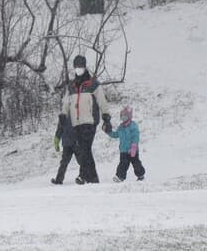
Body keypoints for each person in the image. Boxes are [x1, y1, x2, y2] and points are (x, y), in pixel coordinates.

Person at [54, 54, 112, 184]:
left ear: (85, 67)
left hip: (90, 121)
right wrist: (63, 115)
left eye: (80, 66)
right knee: (86, 150)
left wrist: (106, 118)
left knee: (85, 148)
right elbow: (66, 103)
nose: (78, 69)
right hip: (77, 123)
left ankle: (83, 176)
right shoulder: (71, 86)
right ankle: (94, 178)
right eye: (76, 66)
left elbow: (102, 102)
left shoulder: (93, 84)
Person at [106, 105, 145, 182]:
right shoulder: (121, 127)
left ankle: (140, 175)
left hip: (132, 150)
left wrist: (134, 147)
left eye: (125, 117)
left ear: (129, 117)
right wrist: (108, 132)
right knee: (123, 164)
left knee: (136, 163)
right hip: (123, 150)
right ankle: (120, 177)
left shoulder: (133, 126)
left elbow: (135, 137)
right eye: (122, 117)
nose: (123, 118)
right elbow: (116, 134)